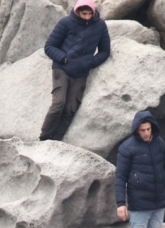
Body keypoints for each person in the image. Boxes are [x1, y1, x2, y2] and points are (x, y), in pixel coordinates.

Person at [40, 0, 110, 141]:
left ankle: (55, 141)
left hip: (81, 73)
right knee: (58, 104)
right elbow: (49, 46)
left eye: (90, 13)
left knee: (70, 109)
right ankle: (43, 139)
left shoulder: (100, 25)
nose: (87, 17)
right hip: (62, 69)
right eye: (84, 14)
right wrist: (64, 58)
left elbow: (105, 51)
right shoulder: (65, 22)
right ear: (78, 11)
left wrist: (90, 63)